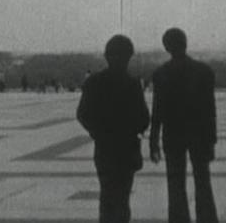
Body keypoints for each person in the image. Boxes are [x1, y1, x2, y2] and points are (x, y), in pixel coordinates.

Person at [76, 35, 150, 223]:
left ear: (107, 56)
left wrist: (98, 132)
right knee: (122, 199)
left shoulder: (94, 82)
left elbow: (82, 114)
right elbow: (143, 118)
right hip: (127, 147)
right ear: (129, 57)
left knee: (107, 196)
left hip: (104, 147)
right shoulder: (132, 84)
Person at [150, 28, 218, 223]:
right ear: (185, 43)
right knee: (203, 182)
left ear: (166, 47)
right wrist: (212, 140)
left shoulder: (161, 73)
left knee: (175, 185)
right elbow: (209, 110)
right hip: (199, 134)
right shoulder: (204, 71)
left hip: (173, 134)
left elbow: (157, 111)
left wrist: (153, 141)